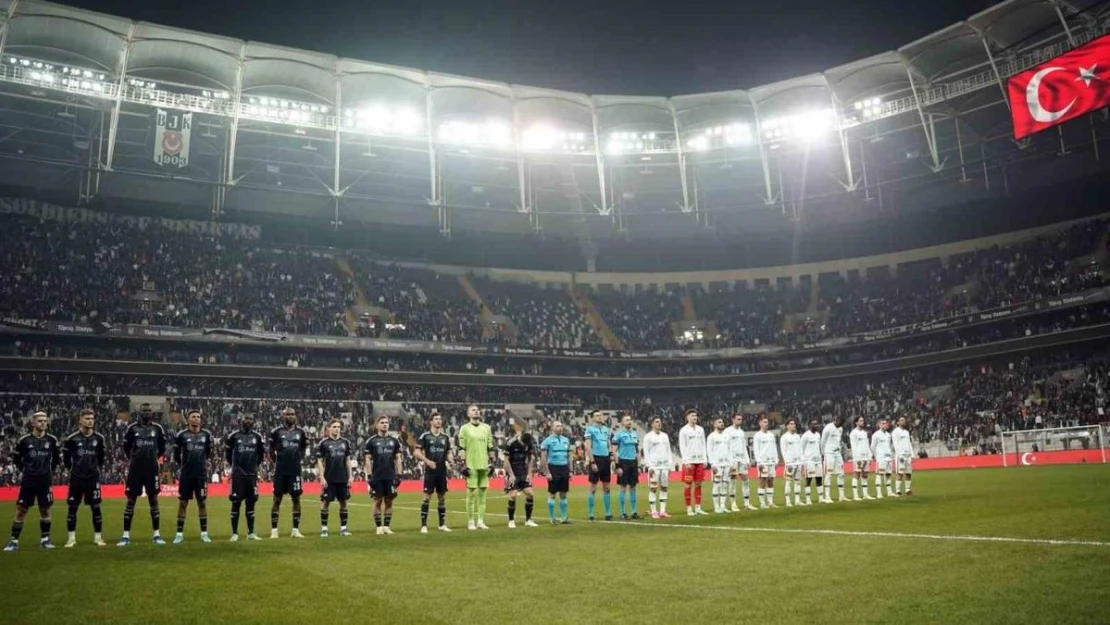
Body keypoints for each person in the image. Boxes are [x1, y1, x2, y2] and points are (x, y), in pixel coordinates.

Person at [5, 412, 61, 551]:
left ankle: (45, 540)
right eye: (40, 421)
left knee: (45, 510)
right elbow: (17, 460)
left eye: (45, 421)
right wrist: (26, 470)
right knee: (21, 510)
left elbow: (56, 460)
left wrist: (49, 471)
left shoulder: (52, 440)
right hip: (28, 480)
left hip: (45, 480)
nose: (43, 423)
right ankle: (13, 541)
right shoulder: (24, 440)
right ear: (33, 423)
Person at [118, 404, 167, 547]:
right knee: (130, 501)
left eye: (149, 411)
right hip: (135, 470)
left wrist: (153, 459)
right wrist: (134, 459)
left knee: (153, 500)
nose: (147, 413)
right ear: (139, 413)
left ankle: (156, 535)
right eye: (144, 411)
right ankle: (125, 536)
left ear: (152, 414)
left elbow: (162, 448)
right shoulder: (132, 428)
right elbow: (126, 447)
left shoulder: (157, 429)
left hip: (152, 470)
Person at [63, 409, 106, 548]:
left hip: (93, 478)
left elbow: (101, 458)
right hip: (76, 478)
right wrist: (74, 469)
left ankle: (98, 538)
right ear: (80, 420)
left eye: (92, 418)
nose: (90, 421)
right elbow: (66, 459)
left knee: (96, 507)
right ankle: (71, 539)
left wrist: (93, 469)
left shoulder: (99, 438)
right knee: (72, 508)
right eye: (87, 418)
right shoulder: (72, 439)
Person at [172, 410, 213, 544]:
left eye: (198, 417)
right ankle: (179, 535)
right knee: (183, 503)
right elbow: (177, 456)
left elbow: (208, 453)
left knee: (202, 502)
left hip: (200, 475)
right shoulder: (181, 435)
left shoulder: (206, 435)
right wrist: (186, 466)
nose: (196, 419)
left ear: (200, 420)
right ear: (188, 420)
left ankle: (204, 534)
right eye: (193, 417)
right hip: (186, 475)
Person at [269, 407, 308, 539]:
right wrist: (278, 463)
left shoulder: (301, 433)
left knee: (296, 498)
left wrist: (296, 460)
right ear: (283, 416)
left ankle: (295, 530)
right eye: (288, 414)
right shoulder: (276, 432)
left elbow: (302, 450)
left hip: (295, 472)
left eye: (293, 414)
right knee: (277, 499)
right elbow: (271, 450)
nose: (291, 416)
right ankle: (274, 530)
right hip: (280, 472)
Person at [225, 414, 265, 541]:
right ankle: (235, 533)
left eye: (250, 419)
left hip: (252, 476)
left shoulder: (257, 437)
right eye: (246, 418)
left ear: (253, 422)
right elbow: (228, 455)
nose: (248, 421)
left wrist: (254, 467)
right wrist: (235, 468)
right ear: (241, 421)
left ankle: (251, 533)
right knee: (236, 503)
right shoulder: (234, 436)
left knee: (251, 503)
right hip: (238, 476)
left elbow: (261, 456)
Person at [415, 410, 453, 533]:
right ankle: (423, 525)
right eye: (436, 419)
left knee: (442, 498)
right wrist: (427, 461)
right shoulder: (425, 436)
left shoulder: (445, 437)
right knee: (426, 497)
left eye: (440, 419)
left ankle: (442, 524)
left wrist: (451, 460)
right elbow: (416, 452)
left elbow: (448, 452)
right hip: (430, 472)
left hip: (442, 472)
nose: (438, 421)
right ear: (431, 422)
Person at [458, 405, 496, 531]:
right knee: (471, 494)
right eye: (473, 410)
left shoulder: (487, 428)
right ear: (468, 414)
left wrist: (492, 462)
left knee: (482, 494)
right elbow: (462, 447)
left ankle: (480, 521)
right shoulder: (464, 428)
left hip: (484, 465)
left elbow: (490, 446)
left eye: (478, 409)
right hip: (471, 464)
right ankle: (470, 521)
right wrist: (463, 463)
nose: (476, 411)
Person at [364, 416, 403, 535]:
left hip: (390, 476)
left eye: (386, 422)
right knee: (377, 501)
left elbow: (398, 459)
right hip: (377, 476)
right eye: (382, 422)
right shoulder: (371, 441)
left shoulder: (394, 441)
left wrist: (399, 475)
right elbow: (367, 460)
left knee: (389, 501)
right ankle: (378, 526)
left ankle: (386, 526)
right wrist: (369, 476)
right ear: (377, 425)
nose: (385, 424)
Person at [316, 419, 353, 537]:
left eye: (338, 426)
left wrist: (350, 476)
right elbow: (320, 461)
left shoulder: (345, 443)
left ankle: (343, 529)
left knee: (343, 502)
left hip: (342, 478)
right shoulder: (323, 443)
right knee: (325, 502)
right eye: (334, 426)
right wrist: (322, 477)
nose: (337, 428)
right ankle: (324, 529)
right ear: (329, 428)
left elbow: (347, 461)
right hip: (329, 478)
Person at [501, 416, 539, 529]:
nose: (525, 446)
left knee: (530, 494)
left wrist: (529, 474)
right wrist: (511, 475)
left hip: (523, 472)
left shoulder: (528, 443)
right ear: (520, 438)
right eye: (524, 444)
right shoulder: (511, 443)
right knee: (512, 495)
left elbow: (531, 458)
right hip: (512, 472)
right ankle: (511, 521)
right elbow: (506, 460)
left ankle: (528, 520)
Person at [584, 410, 614, 521]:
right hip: (596, 458)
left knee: (607, 487)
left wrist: (611, 454)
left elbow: (608, 443)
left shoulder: (606, 430)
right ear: (592, 418)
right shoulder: (590, 429)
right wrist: (592, 462)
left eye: (601, 415)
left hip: (606, 459)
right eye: (597, 415)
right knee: (593, 487)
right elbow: (588, 446)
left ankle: (608, 513)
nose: (600, 417)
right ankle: (591, 514)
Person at [539, 421, 572, 524]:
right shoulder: (547, 441)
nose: (560, 428)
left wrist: (570, 470)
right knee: (552, 494)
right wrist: (547, 472)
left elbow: (569, 457)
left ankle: (564, 518)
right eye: (558, 426)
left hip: (564, 468)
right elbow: (543, 458)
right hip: (553, 468)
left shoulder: (566, 440)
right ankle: (552, 518)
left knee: (563, 494)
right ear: (552, 428)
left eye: (561, 426)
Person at [678, 409, 708, 516]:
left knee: (698, 484)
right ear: (687, 418)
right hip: (689, 461)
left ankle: (698, 507)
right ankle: (688, 508)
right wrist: (686, 461)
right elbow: (682, 446)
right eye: (692, 416)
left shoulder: (701, 429)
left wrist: (705, 459)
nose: (694, 417)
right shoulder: (684, 430)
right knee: (688, 484)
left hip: (699, 460)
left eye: (695, 415)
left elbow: (703, 444)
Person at [641, 417, 672, 519]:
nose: (659, 423)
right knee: (653, 489)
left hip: (664, 466)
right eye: (657, 422)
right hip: (654, 467)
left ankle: (663, 511)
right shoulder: (648, 437)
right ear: (652, 424)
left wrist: (670, 465)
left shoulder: (665, 436)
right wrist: (649, 466)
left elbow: (668, 451)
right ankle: (654, 511)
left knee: (664, 488)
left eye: (660, 422)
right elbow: (646, 452)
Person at [612, 414, 642, 520]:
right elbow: (614, 451)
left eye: (630, 420)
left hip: (633, 462)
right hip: (623, 462)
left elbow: (637, 451)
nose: (629, 422)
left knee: (633, 487)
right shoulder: (618, 435)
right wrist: (617, 465)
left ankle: (634, 512)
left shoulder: (634, 434)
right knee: (623, 487)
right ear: (622, 422)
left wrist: (638, 465)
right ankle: (622, 512)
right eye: (627, 420)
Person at [725, 413, 756, 512]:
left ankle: (747, 504)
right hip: (733, 460)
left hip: (742, 459)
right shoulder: (727, 431)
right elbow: (726, 447)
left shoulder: (742, 432)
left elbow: (744, 447)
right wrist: (729, 461)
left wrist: (747, 460)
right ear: (733, 419)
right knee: (733, 481)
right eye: (738, 419)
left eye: (741, 419)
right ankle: (733, 504)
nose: (740, 421)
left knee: (746, 480)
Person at [752, 416, 779, 509]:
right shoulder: (757, 435)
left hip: (771, 462)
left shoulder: (771, 435)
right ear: (760, 423)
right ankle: (762, 503)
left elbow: (774, 448)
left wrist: (776, 460)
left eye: (767, 422)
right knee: (762, 481)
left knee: (771, 481)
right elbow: (756, 449)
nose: (766, 424)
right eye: (764, 422)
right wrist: (759, 462)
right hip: (763, 462)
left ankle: (770, 502)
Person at [705, 418, 732, 513]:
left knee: (724, 485)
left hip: (726, 464)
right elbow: (709, 451)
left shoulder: (726, 436)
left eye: (722, 422)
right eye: (719, 422)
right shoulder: (711, 437)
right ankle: (716, 507)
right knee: (717, 485)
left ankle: (723, 506)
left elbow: (730, 450)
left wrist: (731, 463)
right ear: (714, 425)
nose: (722, 424)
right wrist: (712, 464)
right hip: (717, 465)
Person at [820, 416, 846, 503]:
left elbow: (838, 440)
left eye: (841, 423)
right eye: (839, 422)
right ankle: (827, 496)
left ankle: (841, 496)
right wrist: (824, 453)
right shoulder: (828, 428)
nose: (840, 424)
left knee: (841, 473)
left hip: (838, 453)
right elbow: (823, 441)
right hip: (829, 453)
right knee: (829, 474)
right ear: (835, 420)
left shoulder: (840, 428)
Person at [779, 418, 803, 507]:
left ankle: (797, 500)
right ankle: (788, 501)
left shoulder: (797, 436)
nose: (794, 425)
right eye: (792, 424)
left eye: (794, 424)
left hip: (798, 462)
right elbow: (783, 450)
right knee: (788, 481)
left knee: (798, 482)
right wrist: (787, 462)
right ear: (787, 426)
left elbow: (800, 449)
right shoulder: (784, 437)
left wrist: (802, 461)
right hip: (790, 463)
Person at [849, 416, 874, 501]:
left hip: (865, 457)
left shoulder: (864, 433)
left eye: (863, 420)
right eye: (860, 420)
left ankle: (865, 494)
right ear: (856, 422)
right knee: (856, 474)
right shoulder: (853, 433)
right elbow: (854, 446)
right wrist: (856, 457)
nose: (862, 422)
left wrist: (870, 456)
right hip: (858, 458)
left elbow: (867, 445)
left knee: (865, 475)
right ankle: (855, 495)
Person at [799, 420, 823, 506]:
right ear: (810, 425)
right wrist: (803, 460)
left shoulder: (818, 435)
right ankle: (808, 499)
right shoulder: (805, 436)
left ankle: (820, 498)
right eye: (814, 424)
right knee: (809, 479)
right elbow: (801, 448)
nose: (817, 425)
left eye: (817, 423)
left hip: (818, 460)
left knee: (819, 479)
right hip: (809, 461)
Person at [871, 418, 895, 498]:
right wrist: (876, 456)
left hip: (888, 457)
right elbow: (872, 447)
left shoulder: (888, 435)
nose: (885, 425)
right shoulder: (876, 435)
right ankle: (879, 493)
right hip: (881, 458)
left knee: (888, 474)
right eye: (883, 423)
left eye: (886, 423)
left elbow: (888, 446)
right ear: (879, 425)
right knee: (879, 474)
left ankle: (889, 492)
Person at [893, 416, 915, 496]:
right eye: (901, 420)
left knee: (909, 473)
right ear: (898, 422)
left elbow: (909, 443)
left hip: (908, 455)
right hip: (901, 455)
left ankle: (908, 490)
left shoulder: (906, 432)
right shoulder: (895, 432)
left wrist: (912, 454)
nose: (903, 422)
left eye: (904, 420)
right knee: (900, 473)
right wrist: (899, 454)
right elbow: (895, 444)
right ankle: (898, 490)